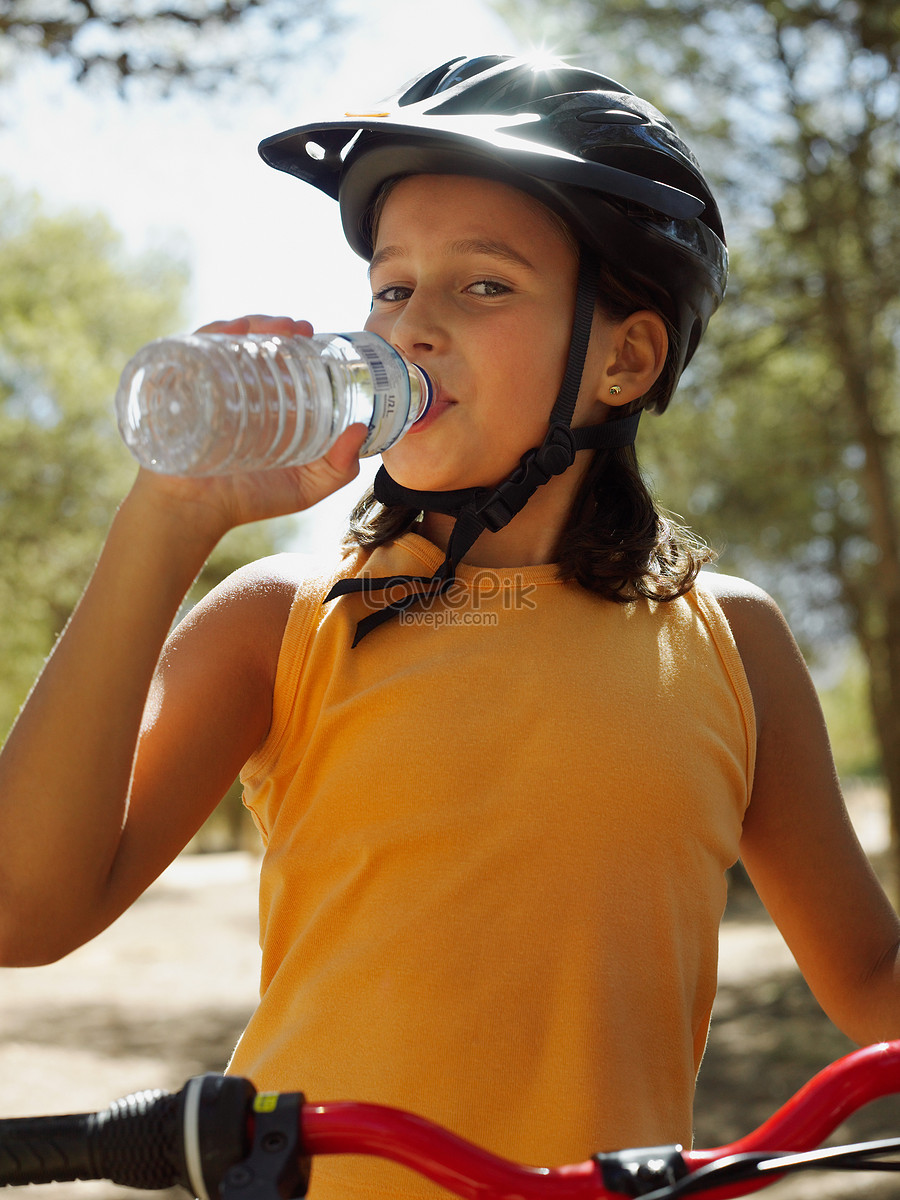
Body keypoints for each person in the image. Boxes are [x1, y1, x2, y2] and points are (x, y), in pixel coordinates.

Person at [1, 52, 898, 1200]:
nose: (412, 325)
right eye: (391, 286)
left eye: (483, 287)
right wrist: (169, 521)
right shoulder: (280, 619)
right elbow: (23, 909)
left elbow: (871, 971)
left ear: (622, 358)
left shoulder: (731, 641)